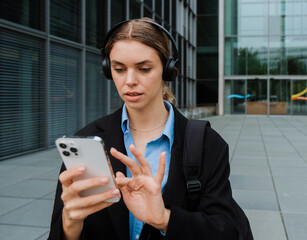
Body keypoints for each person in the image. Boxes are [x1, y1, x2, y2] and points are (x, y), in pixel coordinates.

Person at [48, 18, 253, 240]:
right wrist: (70, 222)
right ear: (108, 70)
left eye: (144, 69)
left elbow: (228, 231)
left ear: (168, 70)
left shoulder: (206, 143)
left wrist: (164, 219)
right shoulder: (88, 140)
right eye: (119, 69)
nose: (130, 80)